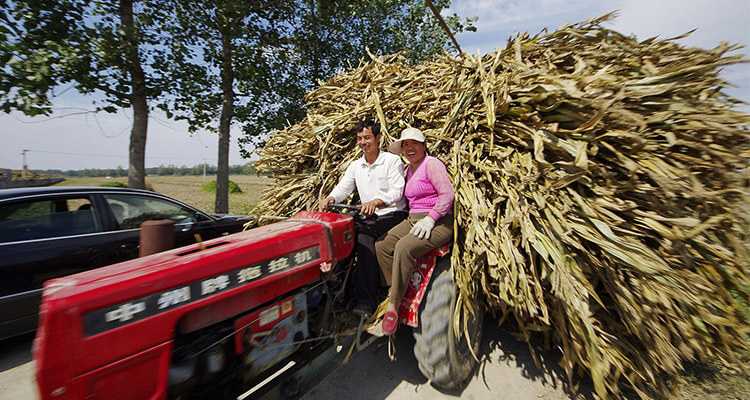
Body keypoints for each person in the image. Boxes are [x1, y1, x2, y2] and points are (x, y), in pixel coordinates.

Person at [319, 120, 408, 317]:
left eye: (367, 137)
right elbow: (344, 187)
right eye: (359, 139)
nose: (363, 142)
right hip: (368, 215)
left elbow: (397, 192)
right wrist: (331, 198)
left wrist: (376, 202)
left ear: (378, 138)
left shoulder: (392, 161)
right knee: (342, 234)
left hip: (392, 214)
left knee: (364, 238)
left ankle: (366, 301)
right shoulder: (355, 165)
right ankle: (338, 290)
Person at [375, 127, 455, 335]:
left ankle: (393, 305)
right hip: (413, 219)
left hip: (440, 221)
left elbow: (447, 194)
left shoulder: (432, 164)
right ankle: (394, 290)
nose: (410, 148)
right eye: (406, 145)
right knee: (382, 245)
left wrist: (431, 219)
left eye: (414, 144)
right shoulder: (408, 170)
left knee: (404, 247)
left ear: (423, 145)